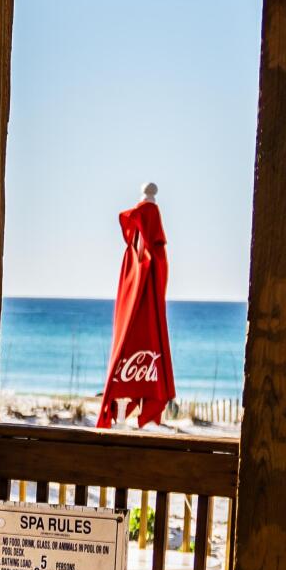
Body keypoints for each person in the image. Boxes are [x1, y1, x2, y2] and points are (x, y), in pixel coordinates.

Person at [97, 182, 177, 430]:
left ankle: (121, 419)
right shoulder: (142, 260)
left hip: (139, 295)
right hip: (142, 298)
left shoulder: (142, 261)